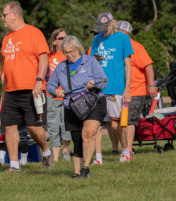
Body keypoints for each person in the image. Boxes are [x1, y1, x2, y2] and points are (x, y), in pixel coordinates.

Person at [0, 2, 53, 173]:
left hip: (32, 89)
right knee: (9, 126)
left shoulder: (34, 33)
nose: (2, 18)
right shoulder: (6, 38)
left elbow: (44, 59)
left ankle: (46, 151)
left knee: (33, 127)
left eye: (4, 14)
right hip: (10, 91)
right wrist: (3, 92)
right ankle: (14, 165)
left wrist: (39, 80)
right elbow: (5, 68)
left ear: (14, 14)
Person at [47, 36, 108, 178]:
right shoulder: (61, 67)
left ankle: (86, 167)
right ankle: (76, 171)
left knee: (89, 133)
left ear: (79, 49)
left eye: (72, 51)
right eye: (66, 52)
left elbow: (104, 81)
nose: (70, 55)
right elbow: (50, 85)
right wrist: (56, 91)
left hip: (93, 103)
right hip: (72, 106)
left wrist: (95, 83)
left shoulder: (91, 62)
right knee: (77, 139)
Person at [90, 12, 134, 164]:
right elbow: (91, 62)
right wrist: (94, 59)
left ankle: (126, 150)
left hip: (116, 87)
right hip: (99, 88)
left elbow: (128, 66)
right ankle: (98, 158)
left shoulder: (123, 39)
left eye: (105, 27)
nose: (103, 30)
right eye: (100, 28)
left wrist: (127, 89)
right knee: (98, 124)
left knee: (116, 124)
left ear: (112, 24)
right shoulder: (97, 39)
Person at [117, 21, 157, 156]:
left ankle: (128, 150)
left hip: (136, 90)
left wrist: (151, 85)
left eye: (119, 32)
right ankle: (123, 148)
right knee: (118, 121)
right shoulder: (115, 47)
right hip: (119, 90)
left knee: (129, 120)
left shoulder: (136, 47)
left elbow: (148, 66)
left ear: (126, 33)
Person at [46, 28, 72, 162]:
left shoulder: (70, 55)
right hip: (52, 97)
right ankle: (55, 156)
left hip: (68, 96)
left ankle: (65, 150)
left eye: (65, 37)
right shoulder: (48, 56)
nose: (64, 40)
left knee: (66, 125)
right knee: (53, 126)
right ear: (54, 41)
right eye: (61, 38)